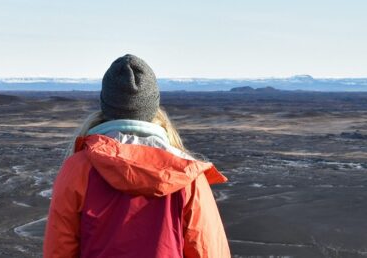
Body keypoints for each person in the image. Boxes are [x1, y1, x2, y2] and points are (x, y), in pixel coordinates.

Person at [43, 54, 231, 258]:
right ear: (153, 107)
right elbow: (208, 251)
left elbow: (58, 250)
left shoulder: (78, 169)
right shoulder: (187, 175)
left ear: (106, 105)